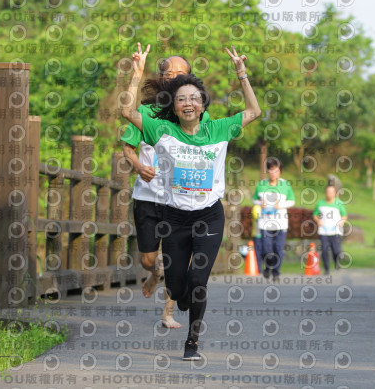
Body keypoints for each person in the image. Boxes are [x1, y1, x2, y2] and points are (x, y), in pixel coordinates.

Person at [121, 45, 261, 360]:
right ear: (174, 104)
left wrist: (242, 73)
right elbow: (128, 113)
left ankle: (192, 342)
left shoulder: (218, 128)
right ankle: (179, 298)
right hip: (174, 218)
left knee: (198, 279)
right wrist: (137, 73)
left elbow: (254, 112)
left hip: (209, 216)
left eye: (194, 98)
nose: (188, 103)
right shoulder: (163, 129)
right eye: (181, 98)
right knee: (178, 288)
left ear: (202, 105)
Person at [121, 46, 211, 329]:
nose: (172, 77)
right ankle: (154, 272)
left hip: (180, 200)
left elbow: (210, 149)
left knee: (179, 261)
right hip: (147, 196)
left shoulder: (196, 113)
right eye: (167, 73)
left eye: (179, 73)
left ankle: (167, 313)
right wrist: (138, 166)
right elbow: (127, 148)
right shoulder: (147, 112)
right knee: (148, 260)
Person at [253, 158, 295, 283]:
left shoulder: (285, 185)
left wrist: (280, 206)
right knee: (266, 250)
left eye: (275, 171)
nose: (272, 173)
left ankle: (276, 272)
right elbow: (254, 199)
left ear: (280, 172)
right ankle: (268, 266)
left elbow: (292, 201)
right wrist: (261, 203)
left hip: (281, 222)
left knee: (278, 249)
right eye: (270, 170)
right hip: (265, 222)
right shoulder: (261, 185)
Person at [313, 184, 348, 274]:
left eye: (332, 192)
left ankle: (337, 262)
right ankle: (326, 269)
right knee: (324, 250)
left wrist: (342, 221)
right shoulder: (320, 203)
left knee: (336, 251)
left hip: (335, 230)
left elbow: (344, 215)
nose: (330, 194)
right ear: (325, 193)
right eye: (328, 192)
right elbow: (315, 214)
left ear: (335, 193)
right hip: (323, 230)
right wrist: (318, 220)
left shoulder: (339, 203)